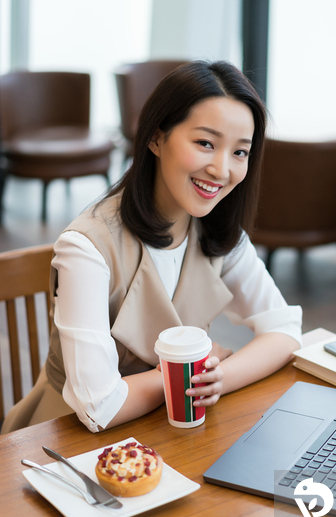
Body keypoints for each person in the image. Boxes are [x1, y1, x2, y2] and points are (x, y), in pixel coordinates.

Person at [2, 60, 301, 434]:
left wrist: (221, 375)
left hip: (165, 429)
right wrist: (186, 373)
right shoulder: (86, 247)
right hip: (62, 444)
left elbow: (285, 329)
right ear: (156, 138)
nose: (222, 170)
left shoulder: (217, 231)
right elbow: (98, 406)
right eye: (205, 143)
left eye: (240, 152)